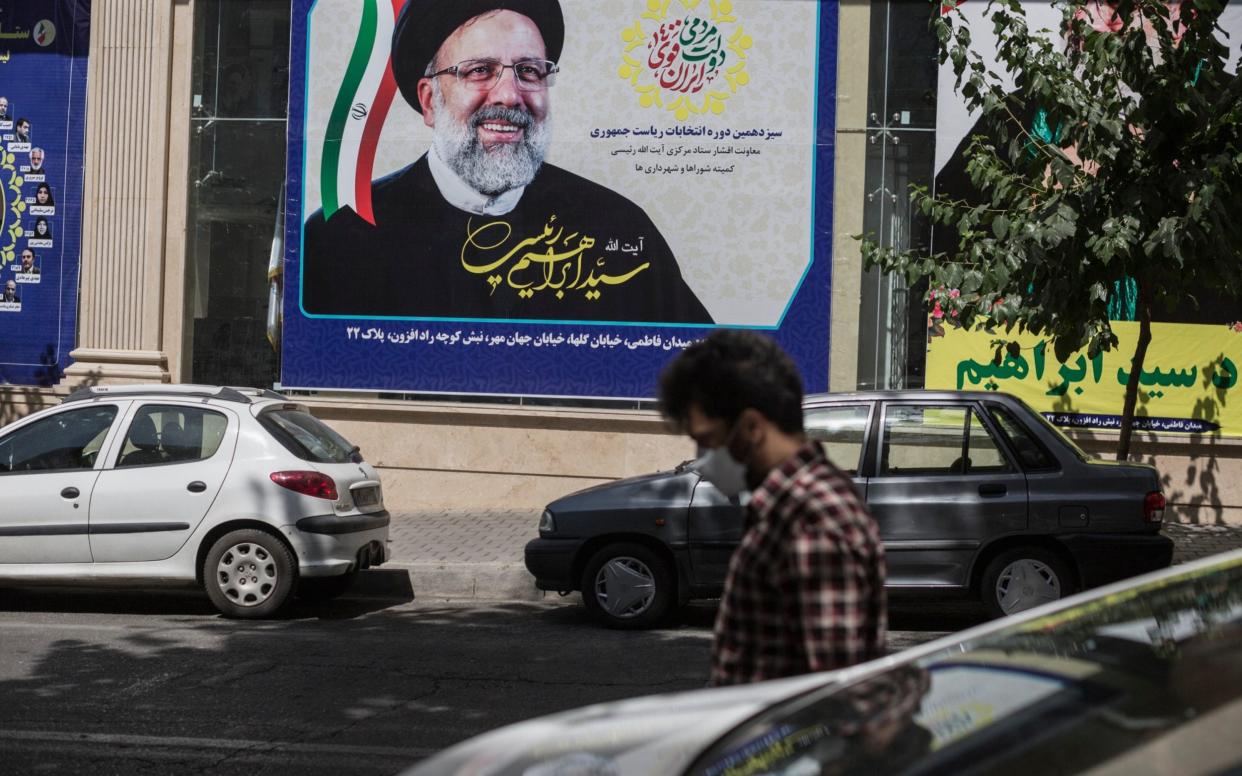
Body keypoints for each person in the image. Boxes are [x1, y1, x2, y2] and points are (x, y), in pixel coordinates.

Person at [302, 0, 711, 325]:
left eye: (529, 72)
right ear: (430, 100)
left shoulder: (618, 227)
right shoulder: (340, 238)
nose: (510, 96)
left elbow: (703, 376)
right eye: (480, 70)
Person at [658, 330, 887, 685]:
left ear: (750, 428)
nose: (702, 458)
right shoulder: (784, 507)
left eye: (707, 440)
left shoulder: (814, 518)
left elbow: (835, 701)